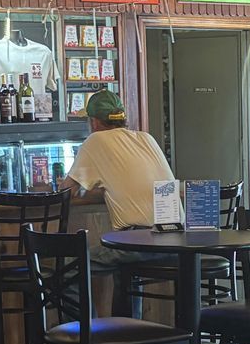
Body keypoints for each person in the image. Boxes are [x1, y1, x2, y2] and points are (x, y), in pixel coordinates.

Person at [60, 90, 174, 263]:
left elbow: (65, 191)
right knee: (119, 266)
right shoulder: (146, 138)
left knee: (70, 267)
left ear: (95, 122)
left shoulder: (96, 140)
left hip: (138, 242)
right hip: (175, 240)